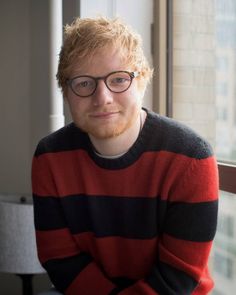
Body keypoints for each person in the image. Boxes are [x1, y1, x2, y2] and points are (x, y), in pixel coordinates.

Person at [32, 16, 219, 295]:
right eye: (84, 83)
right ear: (66, 91)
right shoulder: (49, 158)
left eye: (119, 79)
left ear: (141, 81)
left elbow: (177, 277)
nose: (102, 97)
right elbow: (60, 260)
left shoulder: (192, 159)